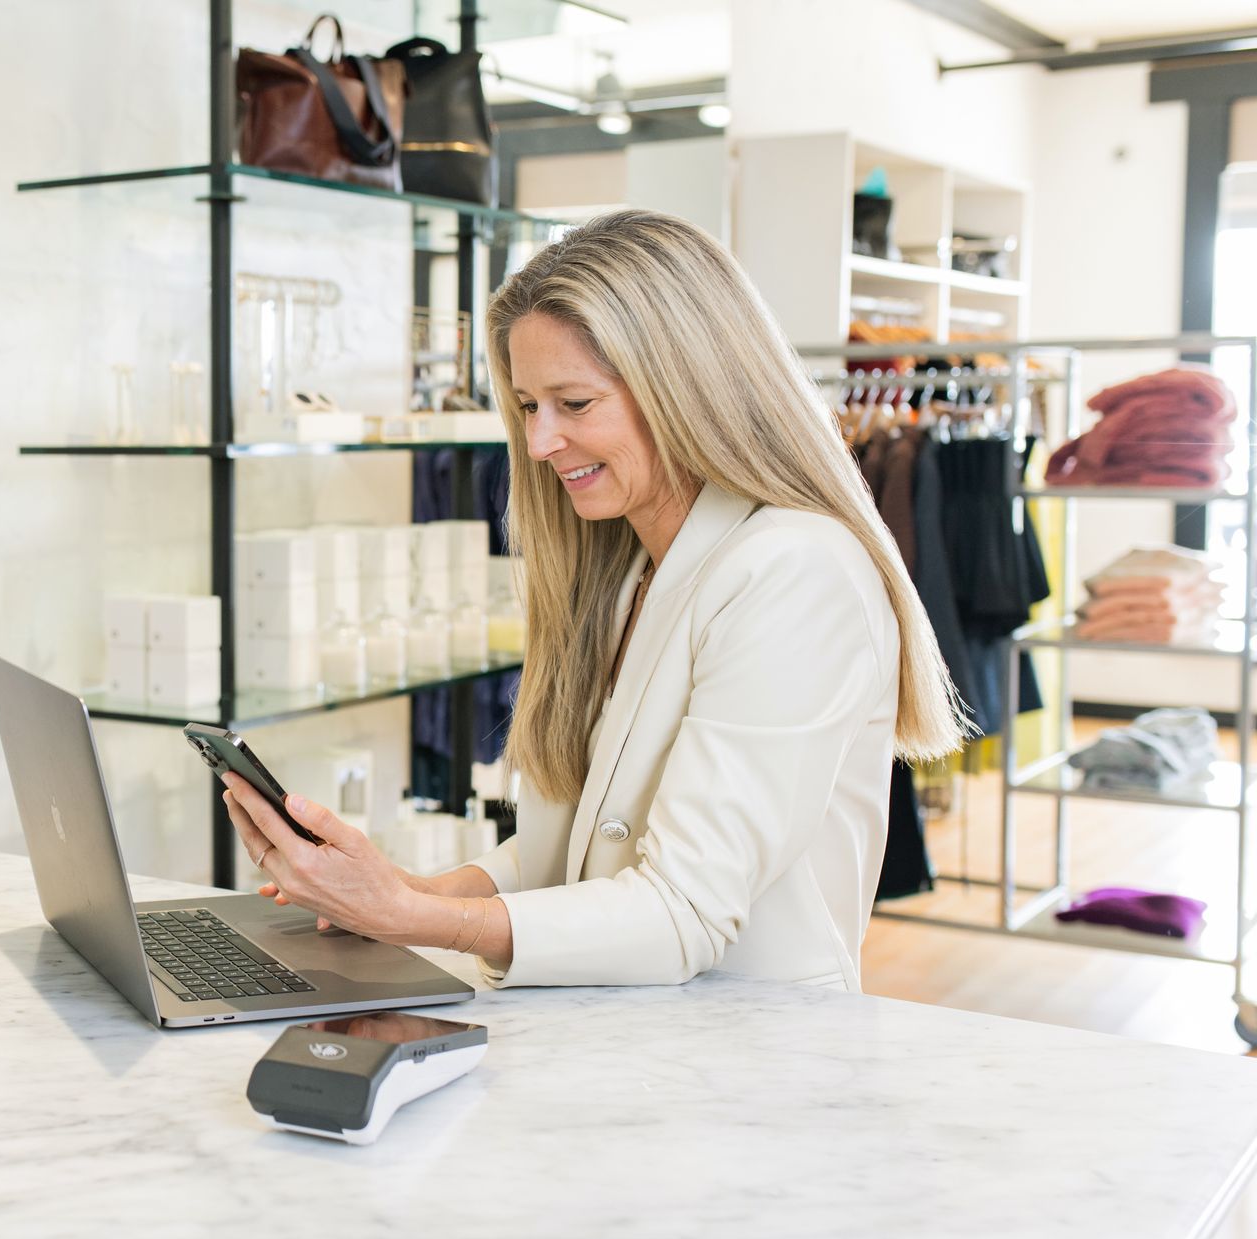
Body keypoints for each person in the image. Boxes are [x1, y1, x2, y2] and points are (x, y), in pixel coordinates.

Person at [222, 209, 962, 992]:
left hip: (746, 1074)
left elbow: (684, 909)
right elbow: (589, 843)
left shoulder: (798, 574)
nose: (540, 446)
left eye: (574, 405)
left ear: (688, 388)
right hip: (615, 1045)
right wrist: (402, 895)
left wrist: (418, 921)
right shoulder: (623, 569)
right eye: (529, 407)